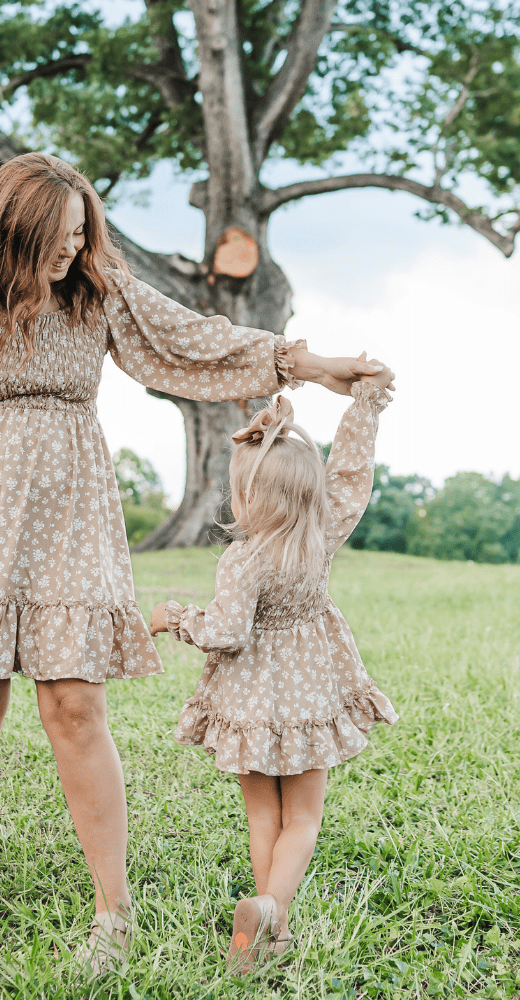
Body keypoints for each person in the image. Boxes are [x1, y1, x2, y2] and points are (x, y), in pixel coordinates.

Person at [0, 151, 384, 973]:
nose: (72, 248)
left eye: (81, 233)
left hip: (70, 512)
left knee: (74, 704)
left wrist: (310, 366)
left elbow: (193, 342)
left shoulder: (97, 292)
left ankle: (114, 910)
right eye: (59, 237)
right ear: (17, 231)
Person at [149, 365, 399, 973]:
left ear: (247, 497)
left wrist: (175, 619)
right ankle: (272, 915)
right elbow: (351, 473)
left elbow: (226, 632)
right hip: (311, 692)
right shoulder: (322, 534)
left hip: (252, 700)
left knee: (263, 814)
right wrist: (364, 407)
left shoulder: (243, 559)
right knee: (304, 818)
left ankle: (269, 926)